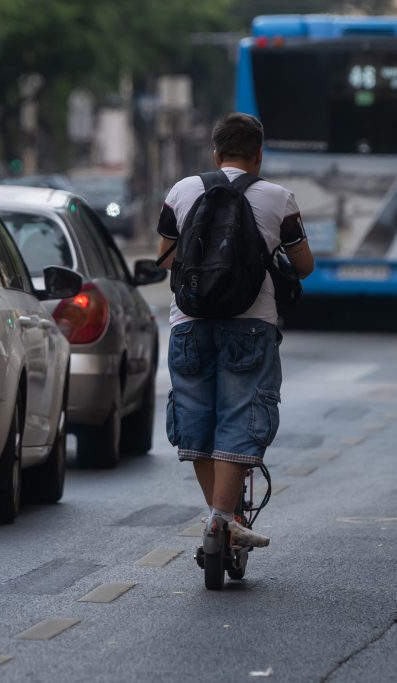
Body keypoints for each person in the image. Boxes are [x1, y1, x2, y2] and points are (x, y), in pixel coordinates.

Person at [156, 113, 315, 548]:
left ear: (215, 151)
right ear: (258, 155)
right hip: (250, 325)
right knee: (239, 416)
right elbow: (304, 266)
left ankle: (217, 518)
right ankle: (223, 519)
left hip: (188, 323)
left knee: (197, 417)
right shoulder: (279, 198)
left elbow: (167, 258)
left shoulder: (182, 191)